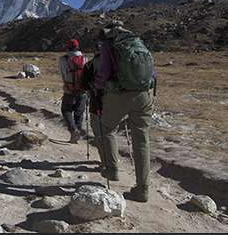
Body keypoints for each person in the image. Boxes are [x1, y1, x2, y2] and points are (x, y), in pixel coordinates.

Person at [94, 23, 156, 202]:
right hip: (145, 95)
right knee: (142, 140)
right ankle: (143, 188)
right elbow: (152, 71)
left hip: (119, 95)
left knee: (107, 128)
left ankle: (112, 169)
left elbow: (104, 72)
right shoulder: (138, 42)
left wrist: (98, 86)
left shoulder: (109, 44)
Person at [79, 42, 105, 171]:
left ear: (94, 52)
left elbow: (82, 85)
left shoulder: (90, 65)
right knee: (111, 131)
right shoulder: (115, 63)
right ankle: (113, 158)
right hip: (115, 103)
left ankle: (106, 162)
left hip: (97, 103)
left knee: (100, 132)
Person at [58, 38, 88, 144]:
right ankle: (78, 136)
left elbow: (62, 75)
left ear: (68, 47)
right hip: (82, 91)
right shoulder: (84, 59)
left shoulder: (63, 59)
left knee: (66, 111)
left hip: (69, 90)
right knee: (79, 114)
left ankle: (73, 130)